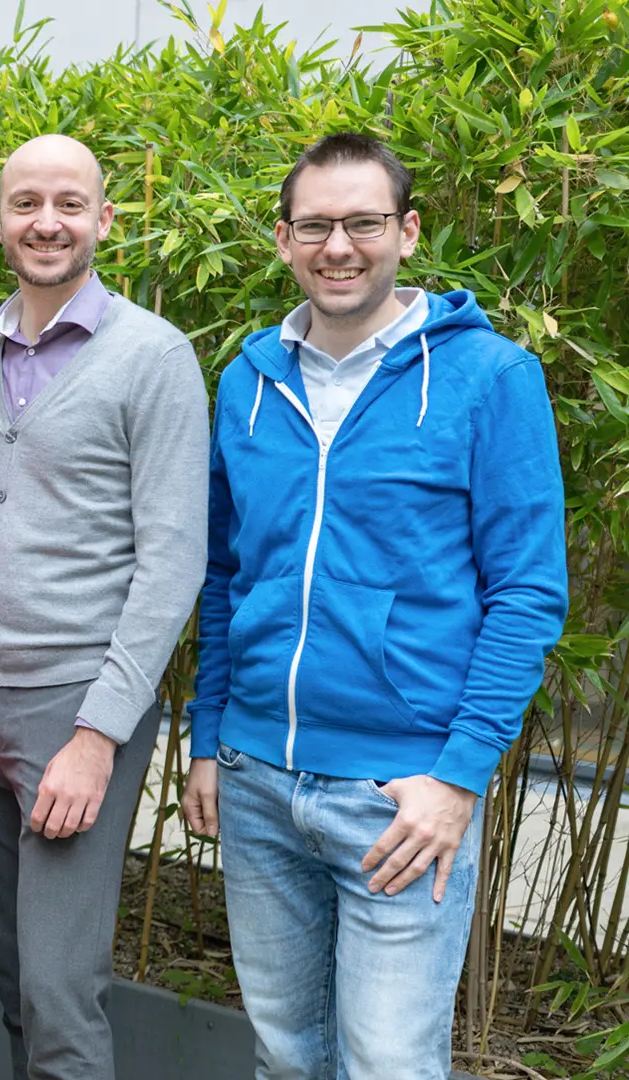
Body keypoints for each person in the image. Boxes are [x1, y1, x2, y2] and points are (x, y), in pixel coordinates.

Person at [182, 131, 568, 1080]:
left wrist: (460, 777)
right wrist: (207, 735)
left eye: (363, 222)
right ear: (283, 239)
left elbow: (527, 593)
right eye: (315, 226)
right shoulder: (246, 382)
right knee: (284, 1053)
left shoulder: (491, 379)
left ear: (408, 230)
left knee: (388, 1063)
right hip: (259, 776)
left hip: (403, 795)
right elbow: (227, 574)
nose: (339, 247)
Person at [0, 133, 209, 1080]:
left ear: (105, 218)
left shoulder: (153, 356)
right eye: (25, 203)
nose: (45, 222)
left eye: (68, 203)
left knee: (60, 989)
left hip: (77, 707)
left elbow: (174, 560)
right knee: (14, 978)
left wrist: (98, 734)